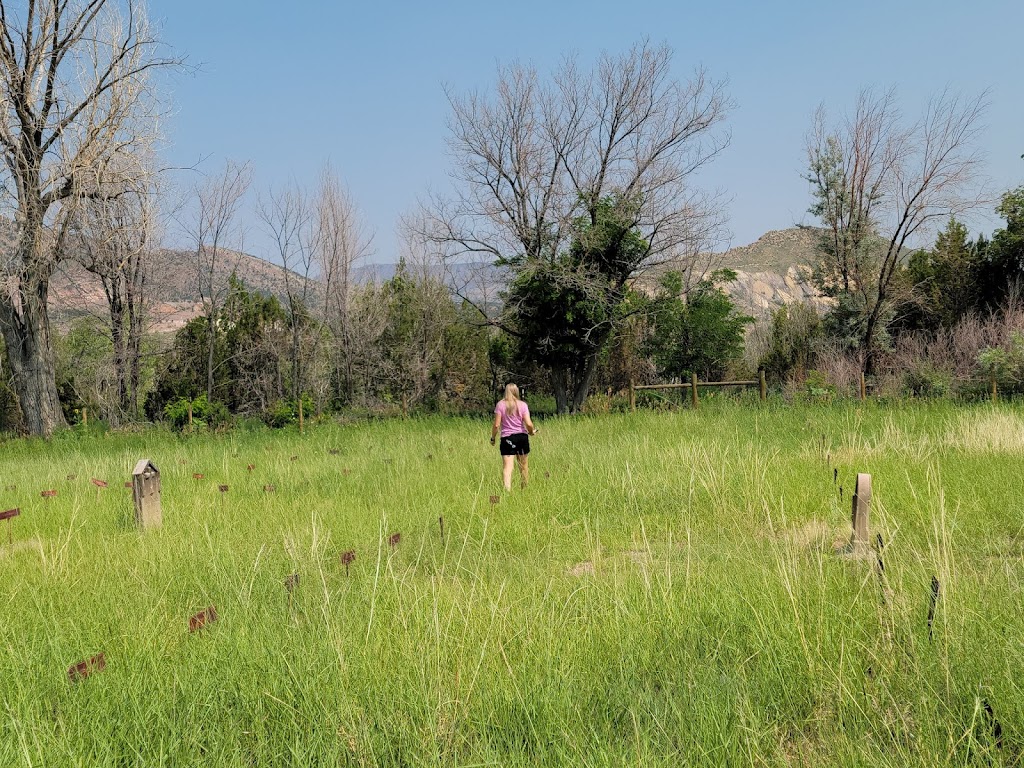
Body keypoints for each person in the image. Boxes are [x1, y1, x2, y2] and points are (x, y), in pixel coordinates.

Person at [490, 383, 537, 491]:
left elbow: (496, 425)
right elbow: (529, 424)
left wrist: (493, 438)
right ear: (517, 391)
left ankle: (507, 492)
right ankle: (524, 490)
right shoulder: (523, 405)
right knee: (523, 467)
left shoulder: (500, 405)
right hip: (521, 437)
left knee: (507, 468)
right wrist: (531, 432)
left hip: (507, 438)